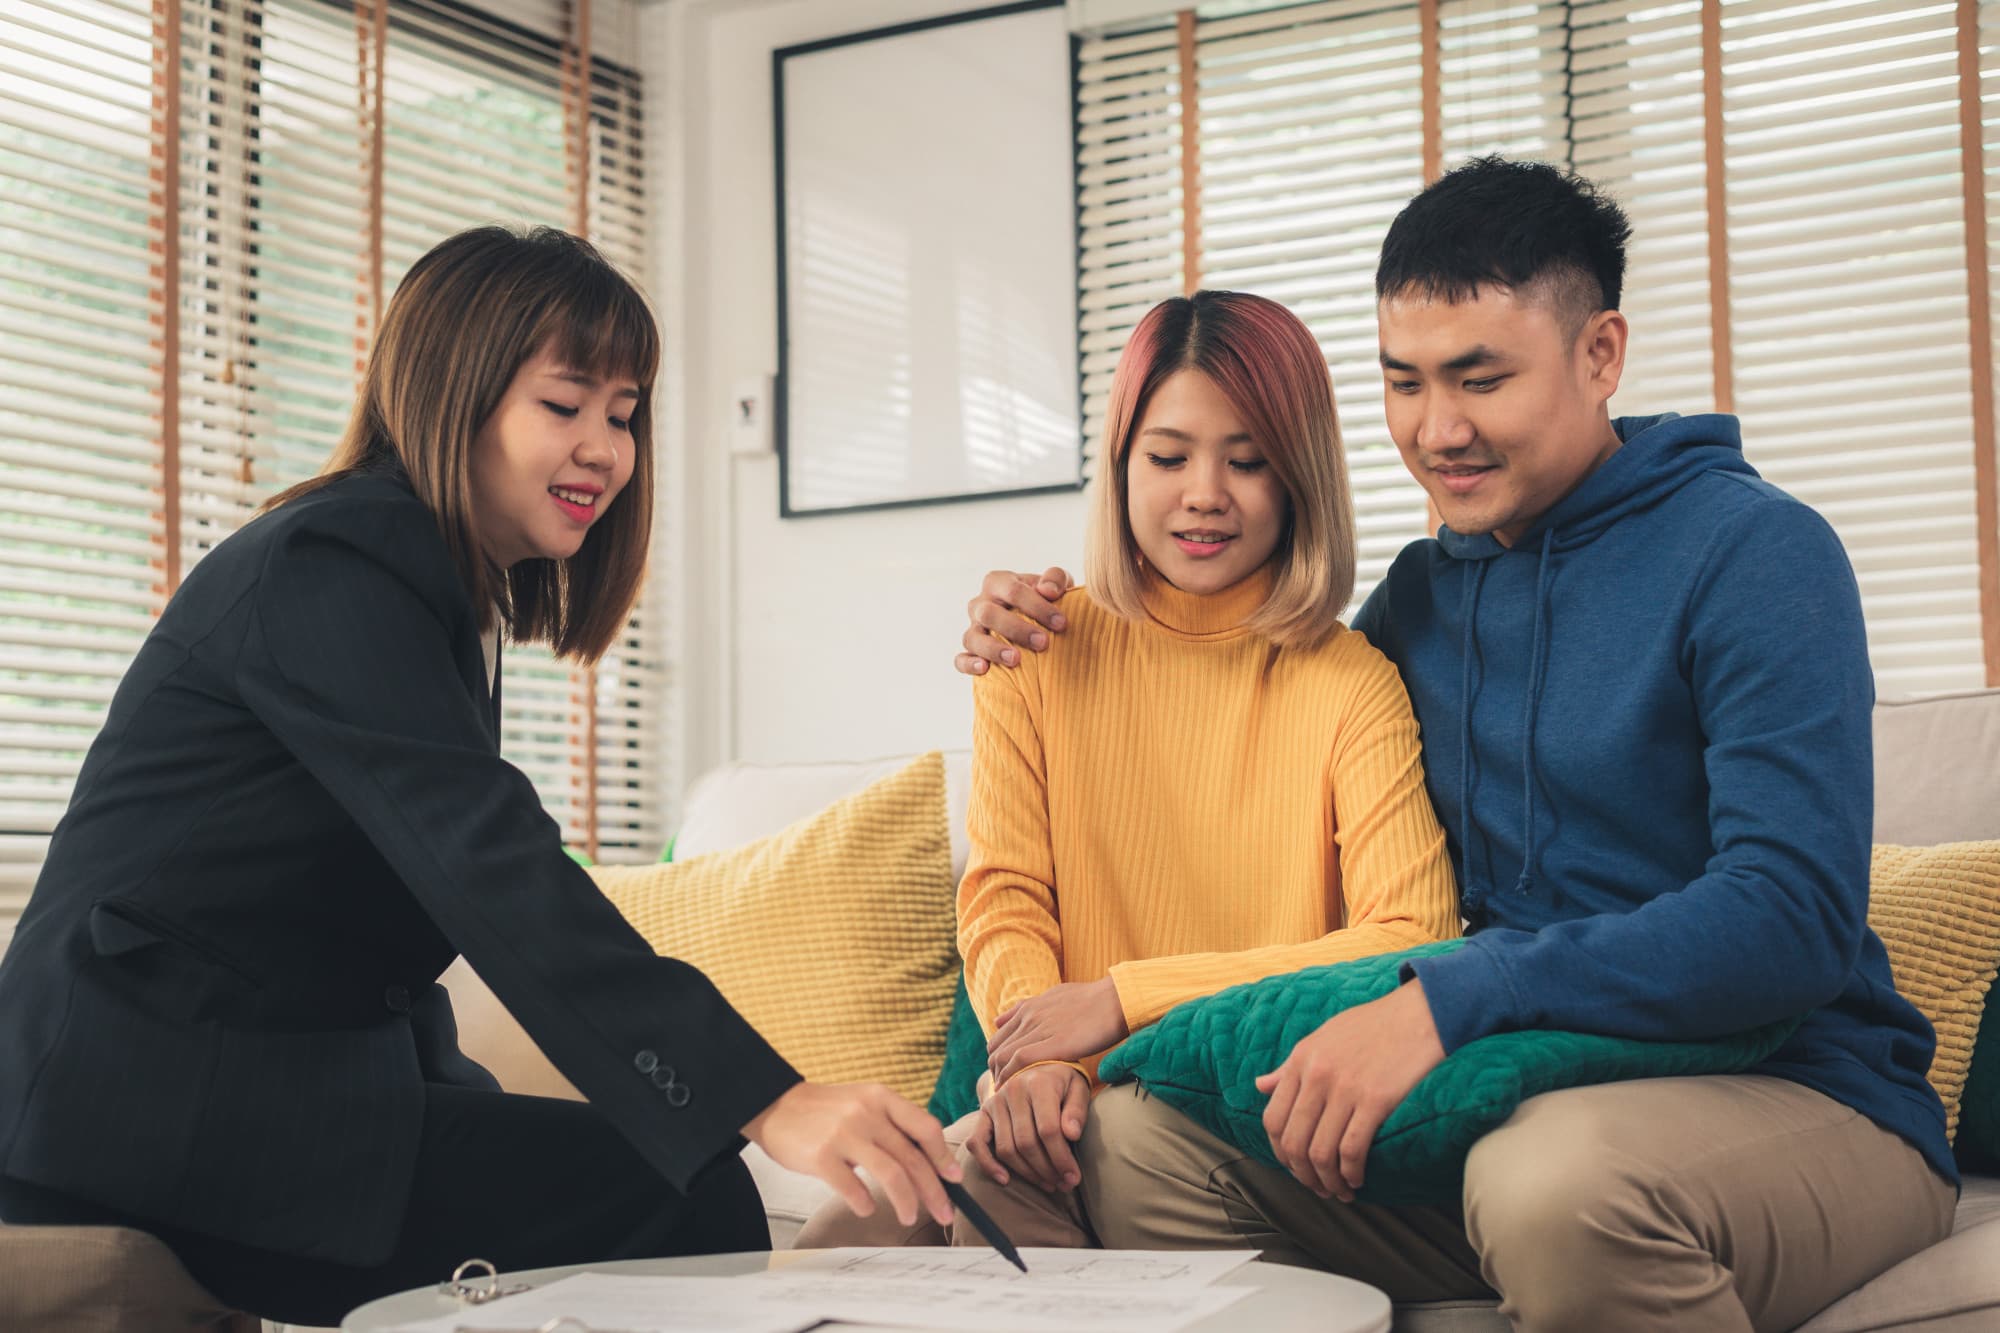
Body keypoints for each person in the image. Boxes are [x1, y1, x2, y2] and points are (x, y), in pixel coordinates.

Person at [955, 158, 1955, 1330]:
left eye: (1480, 378)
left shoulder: (1756, 553)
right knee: (1134, 1143)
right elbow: (1249, 694)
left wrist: (1443, 998)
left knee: (1550, 1184)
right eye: (1403, 382)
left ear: (1599, 354)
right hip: (1511, 1085)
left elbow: (1787, 915)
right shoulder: (1418, 604)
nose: (1438, 430)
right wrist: (1025, 616)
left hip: (1786, 1089)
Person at [0, 226, 959, 1327]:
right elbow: (489, 863)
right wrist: (765, 1096)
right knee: (681, 1194)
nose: (604, 446)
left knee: (659, 1179)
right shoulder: (336, 562)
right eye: (565, 404)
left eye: (624, 411)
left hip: (245, 1090)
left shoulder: (427, 585)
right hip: (139, 1106)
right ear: (454, 394)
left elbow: (384, 937)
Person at [802, 290, 1458, 1252]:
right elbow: (1007, 896)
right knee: (827, 1258)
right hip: (1049, 1096)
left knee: (1003, 1202)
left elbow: (1411, 933)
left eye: (1247, 460)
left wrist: (1122, 999)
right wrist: (1029, 1064)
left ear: (1301, 478)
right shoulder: (1036, 647)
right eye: (1168, 455)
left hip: (1226, 1113)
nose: (1204, 492)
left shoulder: (1349, 681)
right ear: (1119, 464)